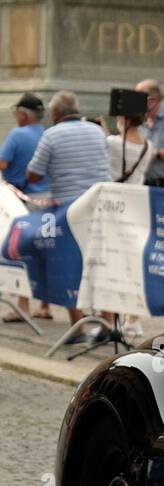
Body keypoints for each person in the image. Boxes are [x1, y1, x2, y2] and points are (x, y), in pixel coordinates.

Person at [26, 91, 111, 339]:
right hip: (98, 206)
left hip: (68, 211)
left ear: (55, 114)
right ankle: (106, 323)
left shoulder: (51, 135)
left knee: (68, 267)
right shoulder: (97, 131)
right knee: (99, 264)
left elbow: (34, 174)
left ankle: (77, 325)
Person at [0, 92, 52, 321]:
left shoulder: (17, 134)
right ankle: (46, 306)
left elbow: (3, 163)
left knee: (20, 251)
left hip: (23, 200)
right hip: (49, 201)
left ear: (22, 114)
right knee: (45, 252)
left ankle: (22, 306)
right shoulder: (47, 133)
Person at [103, 110, 155, 185]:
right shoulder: (149, 145)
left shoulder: (111, 142)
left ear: (124, 119)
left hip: (115, 192)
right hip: (137, 192)